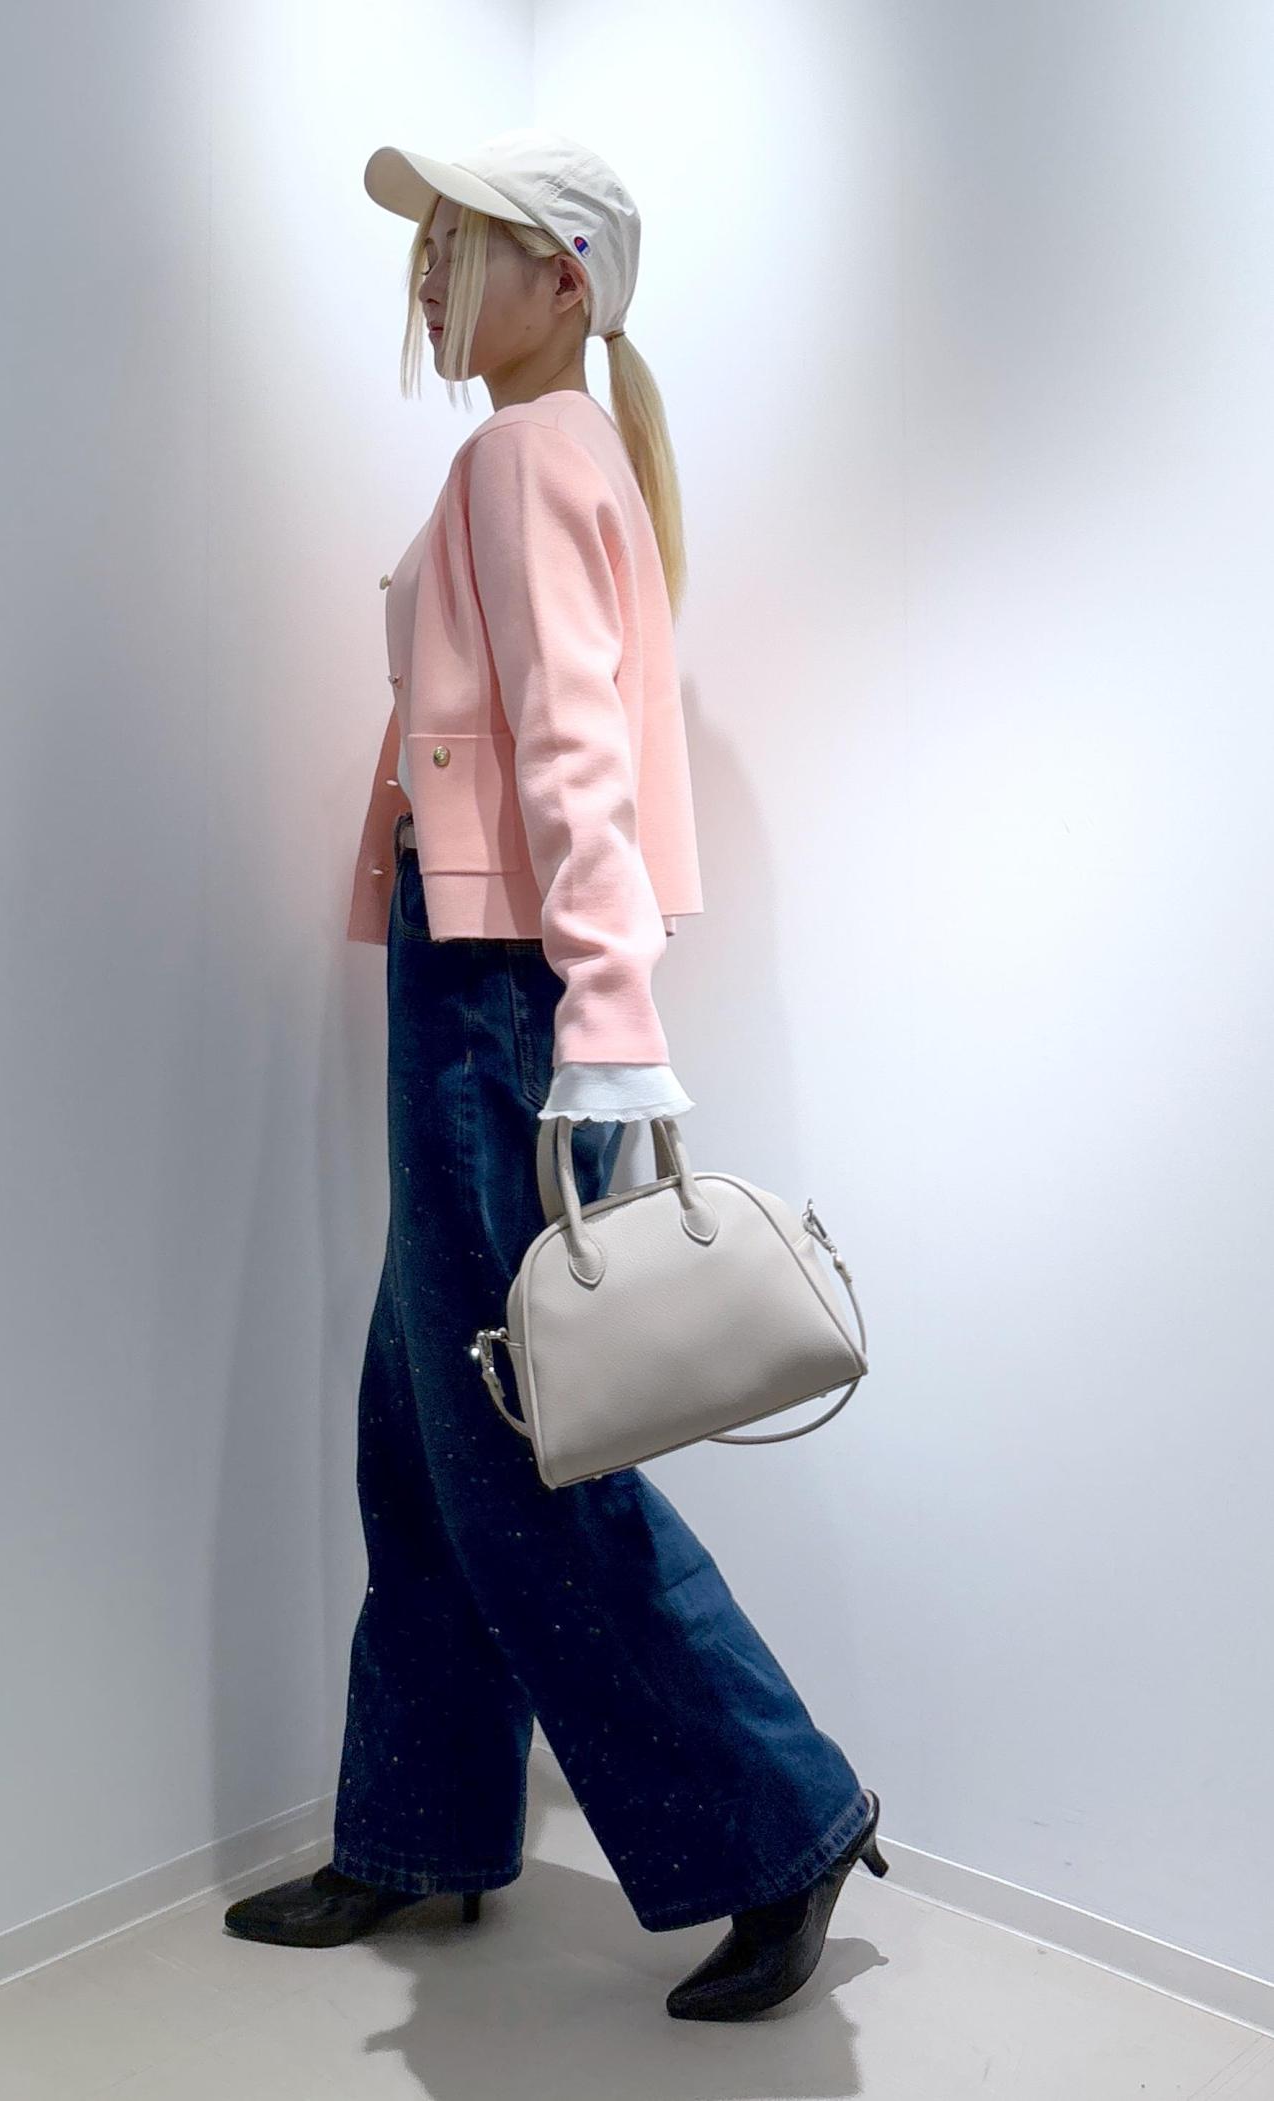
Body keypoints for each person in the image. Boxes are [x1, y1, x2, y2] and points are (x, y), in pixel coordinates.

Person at [224, 128, 886, 2023]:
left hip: (498, 990)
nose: (430, 278)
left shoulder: (523, 457)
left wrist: (606, 1018)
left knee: (520, 1443)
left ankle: (781, 1814)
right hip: (495, 976)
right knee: (422, 1429)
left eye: (464, 245)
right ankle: (420, 1826)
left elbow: (575, 751)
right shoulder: (563, 448)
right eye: (425, 250)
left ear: (567, 279)